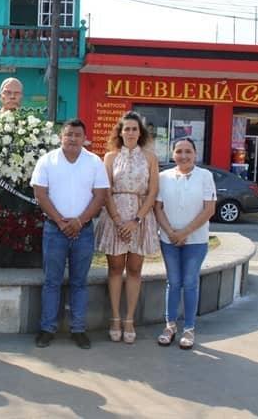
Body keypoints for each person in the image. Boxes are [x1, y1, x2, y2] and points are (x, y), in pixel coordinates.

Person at [31, 119, 109, 349]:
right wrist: (61, 221)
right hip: (54, 230)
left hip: (83, 232)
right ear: (61, 137)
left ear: (85, 138)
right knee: (52, 282)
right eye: (68, 135)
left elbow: (100, 196)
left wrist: (79, 221)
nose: (73, 139)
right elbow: (40, 194)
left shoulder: (94, 162)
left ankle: (78, 330)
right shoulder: (48, 161)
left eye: (77, 135)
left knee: (79, 283)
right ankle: (47, 329)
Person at [95, 111, 160, 344]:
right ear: (120, 132)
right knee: (114, 269)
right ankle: (114, 318)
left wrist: (137, 220)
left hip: (140, 218)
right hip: (115, 218)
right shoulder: (110, 157)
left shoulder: (150, 158)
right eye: (126, 129)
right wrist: (118, 220)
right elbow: (106, 190)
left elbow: (153, 191)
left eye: (134, 129)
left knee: (134, 269)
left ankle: (129, 319)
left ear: (140, 132)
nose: (130, 132)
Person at [153, 138, 216, 350]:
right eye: (179, 151)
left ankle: (189, 328)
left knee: (190, 283)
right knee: (173, 282)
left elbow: (209, 209)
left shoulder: (205, 176)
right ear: (173, 154)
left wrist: (185, 232)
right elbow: (158, 208)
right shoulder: (163, 177)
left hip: (196, 240)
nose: (183, 155)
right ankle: (169, 326)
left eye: (188, 151)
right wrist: (171, 232)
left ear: (195, 154)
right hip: (168, 239)